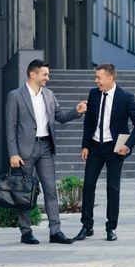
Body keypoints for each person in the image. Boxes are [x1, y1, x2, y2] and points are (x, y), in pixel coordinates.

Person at [5, 59, 87, 245]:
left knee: (51, 191)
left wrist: (76, 111)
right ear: (33, 74)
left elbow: (60, 116)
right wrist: (13, 153)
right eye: (45, 74)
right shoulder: (15, 96)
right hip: (25, 151)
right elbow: (11, 127)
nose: (47, 78)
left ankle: (55, 231)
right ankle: (26, 232)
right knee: (24, 192)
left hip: (46, 148)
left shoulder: (49, 95)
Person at [74, 63, 135, 242]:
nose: (96, 80)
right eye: (95, 77)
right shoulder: (93, 93)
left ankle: (111, 227)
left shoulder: (126, 97)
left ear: (110, 77)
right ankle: (87, 226)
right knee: (88, 185)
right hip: (95, 147)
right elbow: (88, 122)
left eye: (99, 77)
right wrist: (85, 145)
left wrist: (128, 145)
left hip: (115, 149)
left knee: (112, 189)